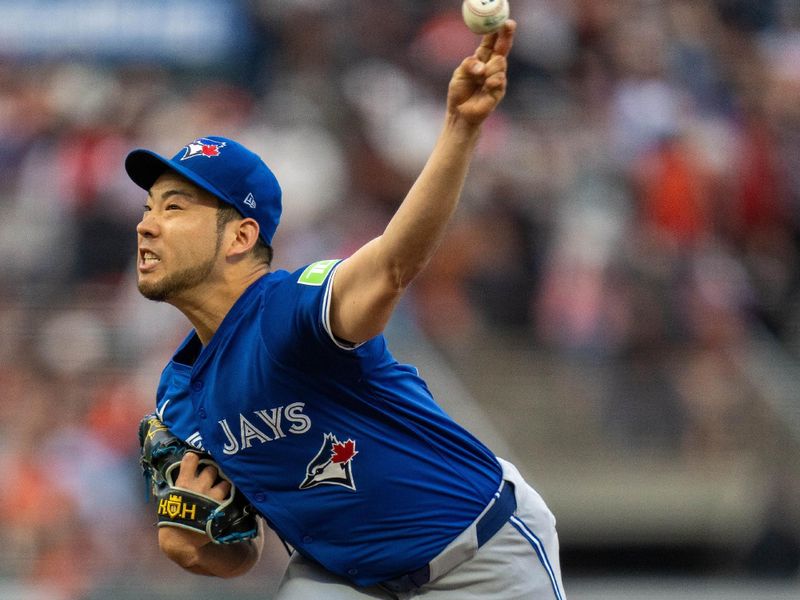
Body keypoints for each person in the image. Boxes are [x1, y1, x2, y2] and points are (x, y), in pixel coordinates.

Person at [126, 20, 565, 599]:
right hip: (343, 579)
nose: (146, 224)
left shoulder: (288, 309)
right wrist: (196, 545)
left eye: (175, 206)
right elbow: (242, 549)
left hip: (477, 555)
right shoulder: (178, 395)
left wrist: (460, 127)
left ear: (239, 237)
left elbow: (389, 268)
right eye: (149, 206)